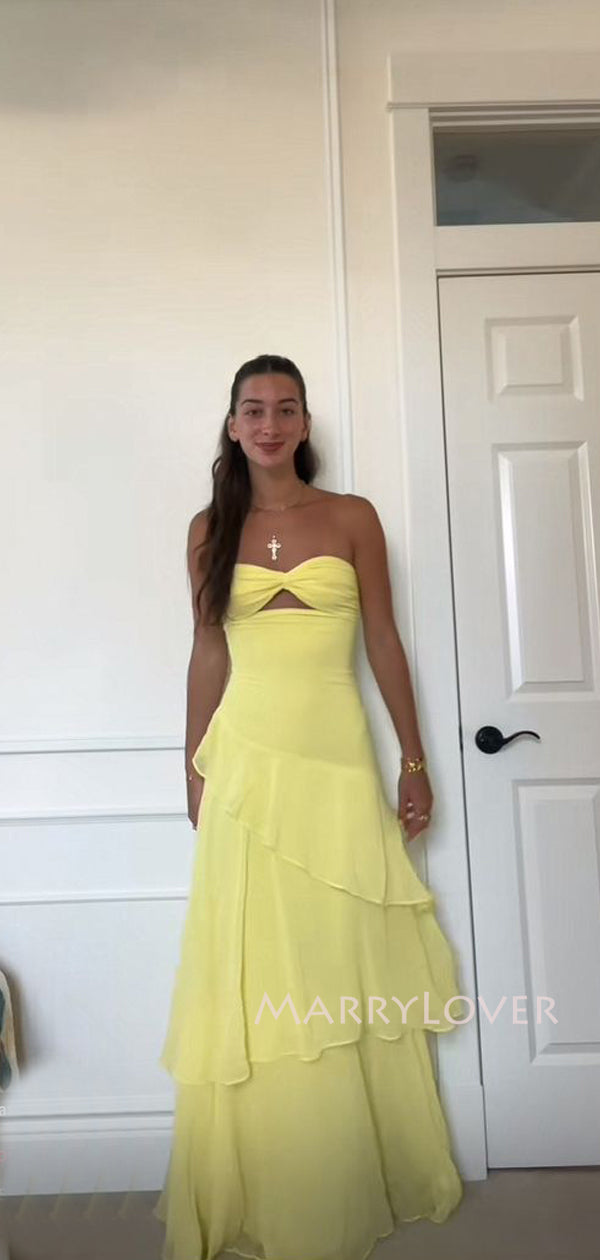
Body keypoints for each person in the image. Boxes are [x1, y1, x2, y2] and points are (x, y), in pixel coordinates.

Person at [153, 353, 464, 1260]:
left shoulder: (352, 516)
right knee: (257, 963)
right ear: (233, 424)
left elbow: (384, 641)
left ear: (304, 423)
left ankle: (345, 1169)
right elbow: (208, 651)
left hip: (336, 763)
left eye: (285, 408)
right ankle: (273, 1176)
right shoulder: (210, 529)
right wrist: (193, 766)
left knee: (337, 953)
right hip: (245, 766)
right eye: (254, 409)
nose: (270, 424)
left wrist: (414, 760)